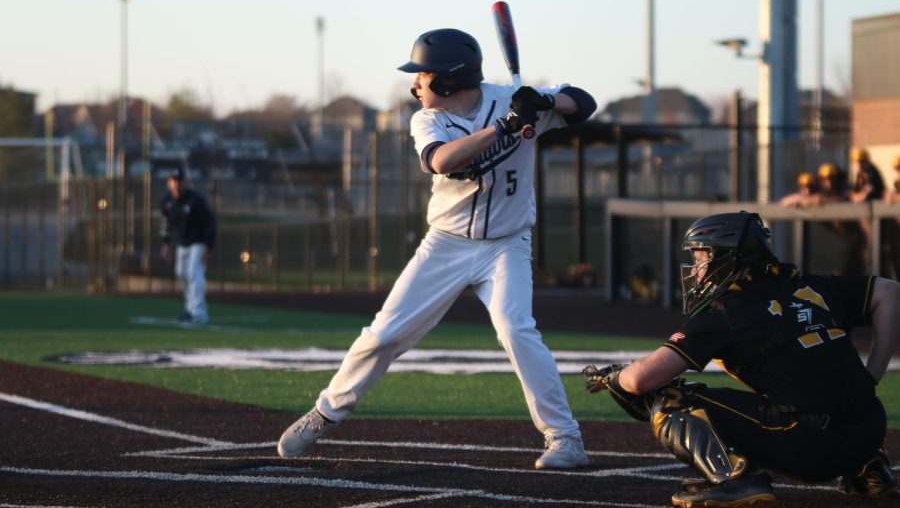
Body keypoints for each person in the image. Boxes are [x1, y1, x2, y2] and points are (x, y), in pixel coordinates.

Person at [277, 27, 597, 469]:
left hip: (507, 244)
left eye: (422, 75)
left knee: (516, 329)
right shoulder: (428, 119)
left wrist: (542, 102)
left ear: (448, 80)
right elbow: (442, 160)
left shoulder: (514, 99)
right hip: (446, 245)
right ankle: (324, 413)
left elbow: (583, 102)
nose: (415, 84)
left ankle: (566, 439)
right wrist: (504, 127)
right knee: (385, 333)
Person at [583, 212, 900, 507]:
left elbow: (641, 379)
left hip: (811, 446)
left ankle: (736, 480)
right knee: (824, 387)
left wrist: (615, 377)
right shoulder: (809, 285)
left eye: (700, 258)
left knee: (672, 401)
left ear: (725, 257)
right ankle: (868, 470)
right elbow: (889, 291)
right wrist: (872, 374)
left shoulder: (726, 310)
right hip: (871, 427)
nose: (695, 270)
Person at [160, 165, 216, 324]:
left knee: (194, 273)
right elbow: (167, 225)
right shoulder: (167, 201)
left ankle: (199, 313)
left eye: (179, 181)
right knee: (181, 274)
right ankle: (191, 308)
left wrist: (208, 245)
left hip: (198, 242)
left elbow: (210, 223)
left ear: (186, 182)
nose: (176, 184)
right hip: (182, 243)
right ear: (168, 182)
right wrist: (165, 246)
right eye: (173, 181)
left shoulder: (195, 200)